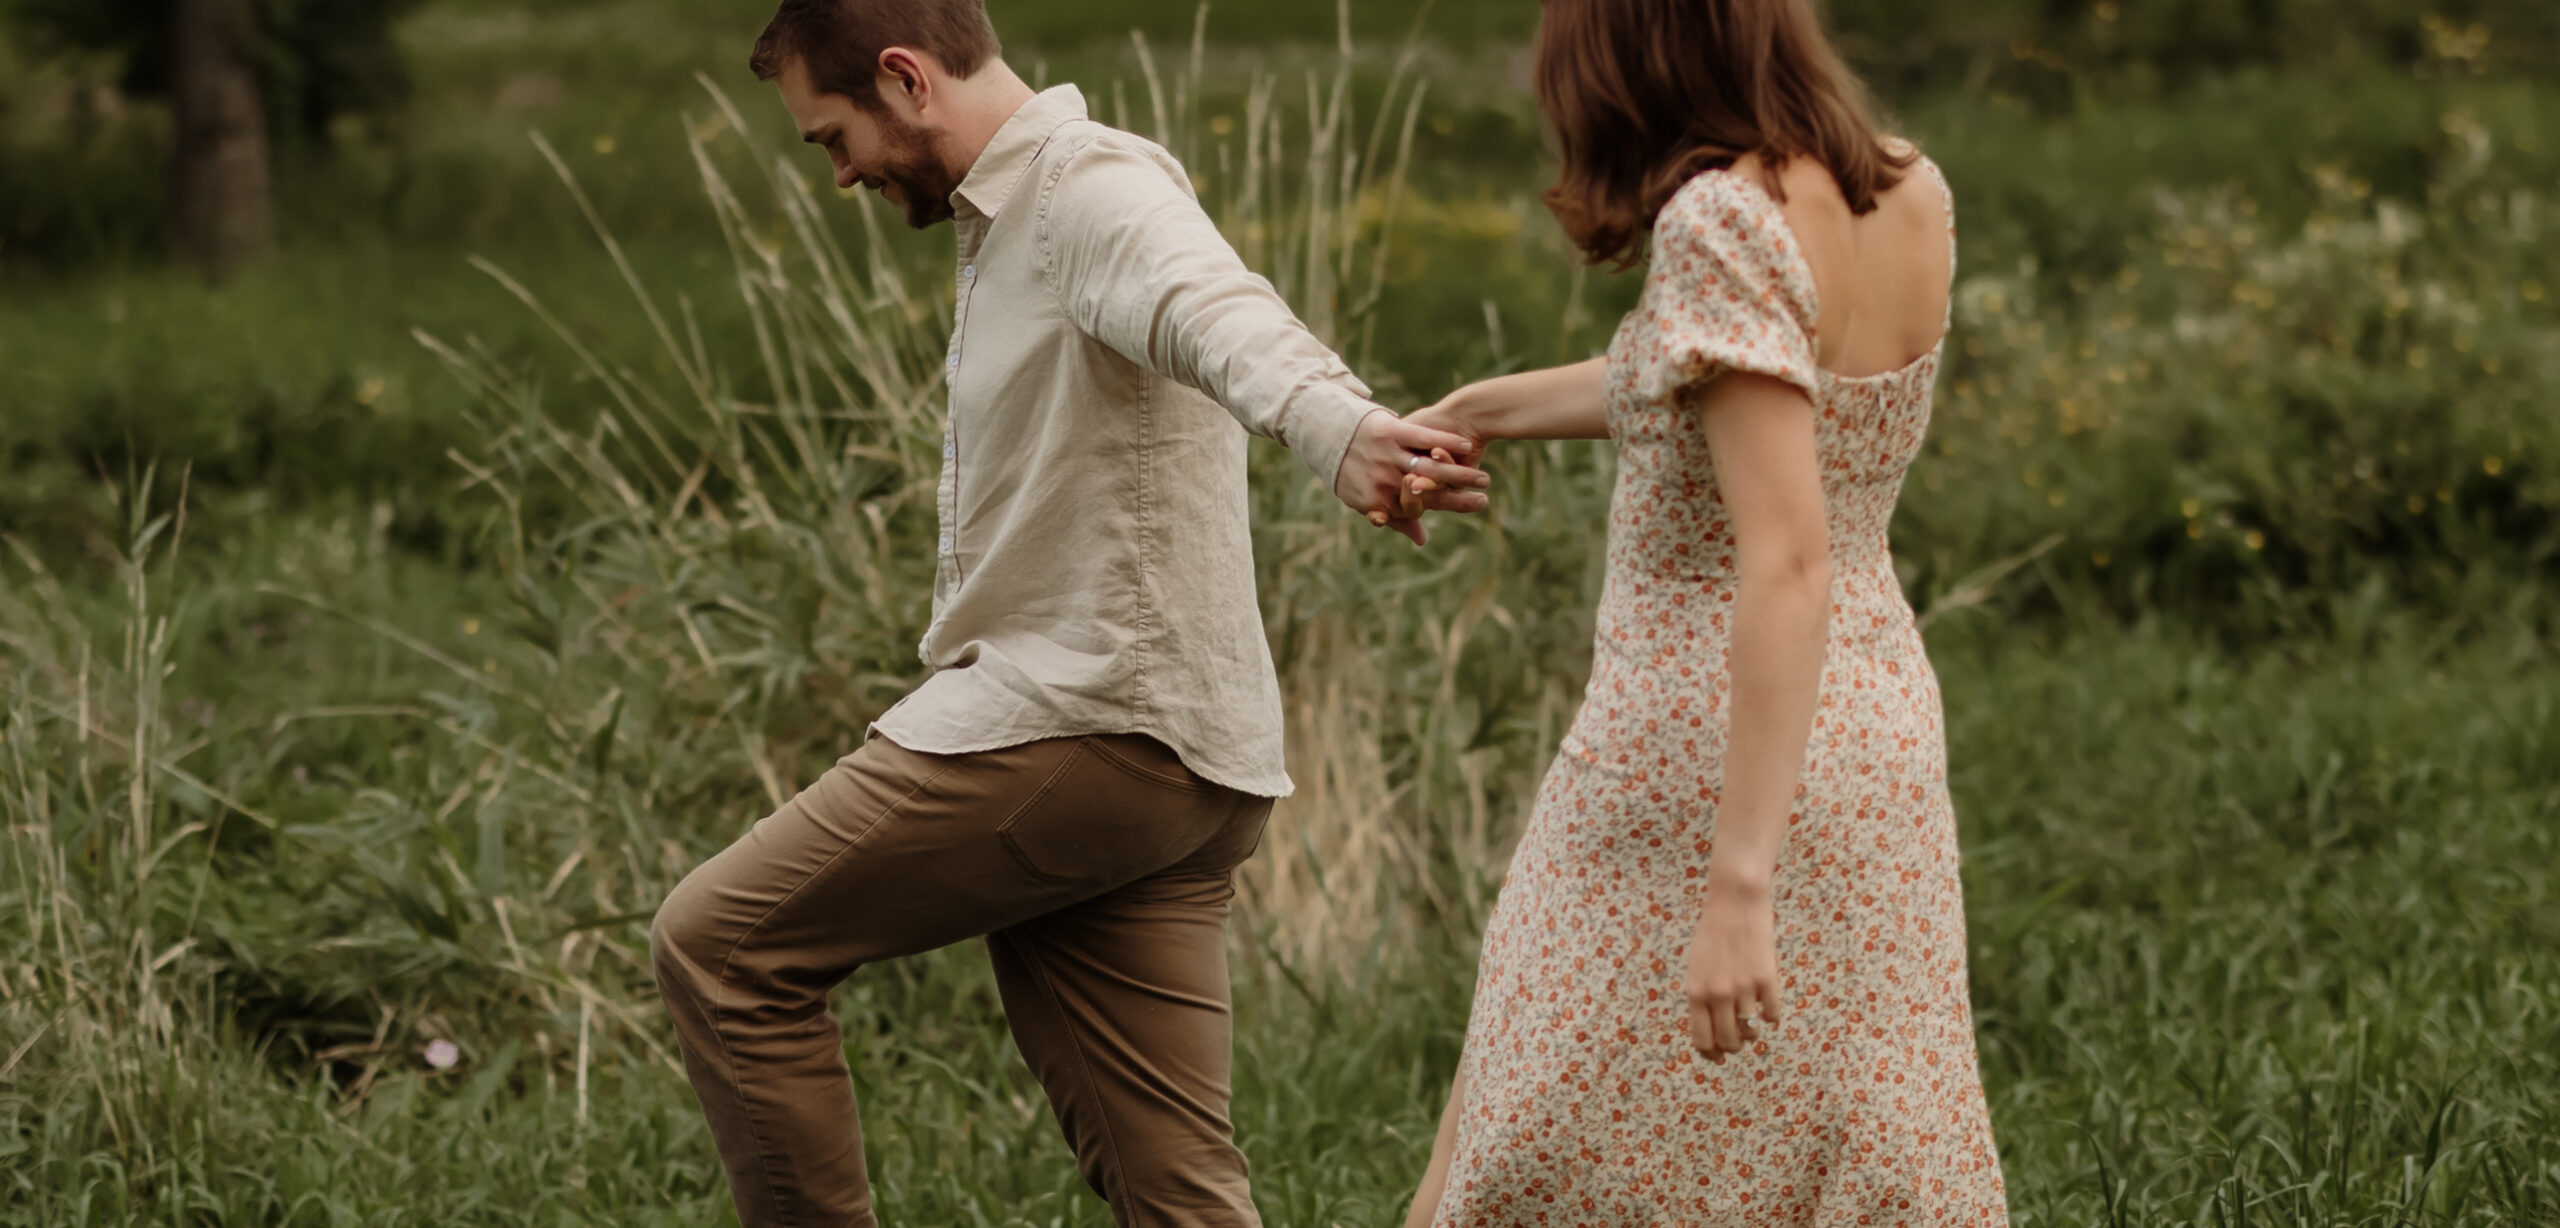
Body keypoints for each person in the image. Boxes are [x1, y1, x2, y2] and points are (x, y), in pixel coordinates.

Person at [645, 2, 1490, 1226]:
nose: (841, 176)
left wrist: (1341, 426)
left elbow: (1212, 309)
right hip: (1181, 759)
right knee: (1178, 1194)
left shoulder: (1086, 187)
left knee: (720, 948)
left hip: (1080, 726)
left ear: (904, 77)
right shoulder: (1019, 218)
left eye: (835, 139)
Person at [1395, 0, 2009, 1222]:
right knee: (1835, 1153)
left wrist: (1741, 881)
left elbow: (1785, 557)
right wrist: (1482, 410)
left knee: (1524, 1133)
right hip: (1871, 733)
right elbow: (1721, 381)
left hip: (1696, 748)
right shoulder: (1906, 190)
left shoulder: (1720, 218)